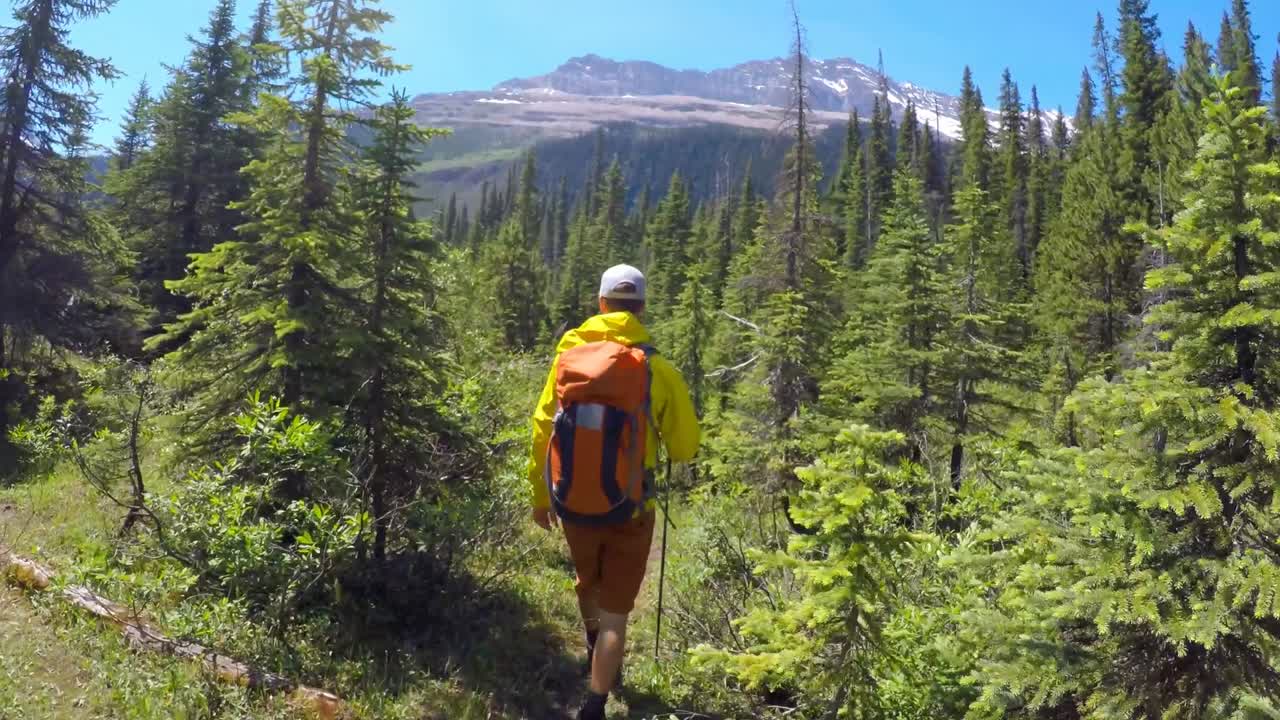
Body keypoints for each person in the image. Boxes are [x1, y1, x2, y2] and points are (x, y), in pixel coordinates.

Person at [528, 264, 700, 720]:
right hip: (631, 508)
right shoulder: (656, 368)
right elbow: (685, 448)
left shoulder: (567, 360)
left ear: (601, 304)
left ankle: (591, 644)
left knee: (588, 581)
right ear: (640, 309)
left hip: (572, 499)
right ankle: (596, 701)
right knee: (616, 613)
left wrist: (541, 496)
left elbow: (543, 428)